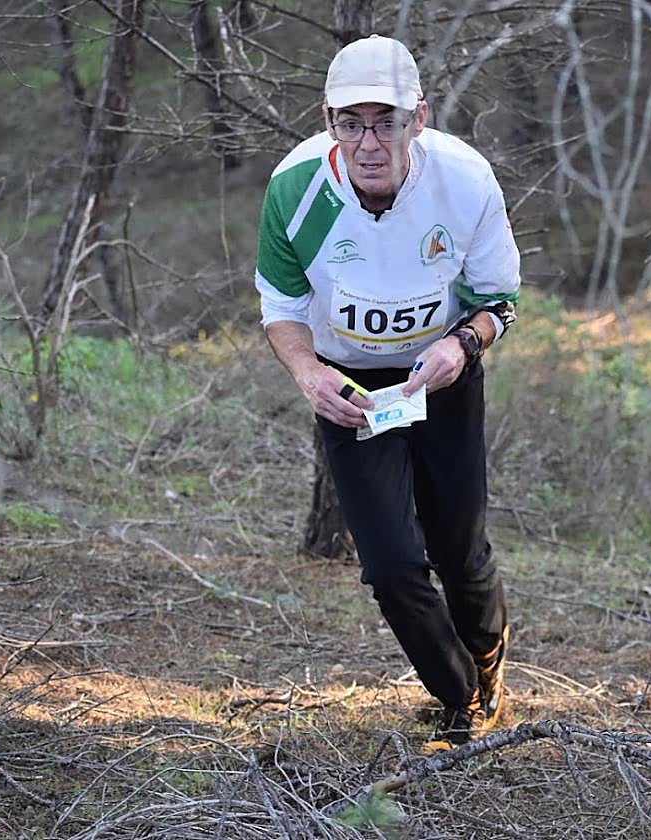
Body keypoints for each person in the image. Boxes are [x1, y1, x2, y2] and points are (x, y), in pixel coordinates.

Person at [253, 34, 519, 745]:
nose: (369, 143)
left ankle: (487, 664)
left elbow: (499, 302)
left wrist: (461, 346)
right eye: (352, 123)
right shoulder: (296, 188)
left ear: (418, 119)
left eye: (386, 122)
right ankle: (462, 700)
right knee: (392, 566)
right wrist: (310, 375)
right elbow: (281, 308)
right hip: (350, 388)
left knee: (459, 551)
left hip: (441, 373)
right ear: (329, 121)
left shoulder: (464, 181)